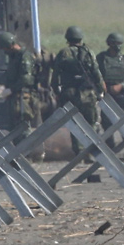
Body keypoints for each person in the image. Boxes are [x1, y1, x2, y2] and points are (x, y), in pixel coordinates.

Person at [52, 26, 105, 155]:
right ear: (80, 38)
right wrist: (100, 89)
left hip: (69, 93)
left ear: (67, 38)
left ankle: (79, 150)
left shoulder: (63, 53)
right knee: (91, 121)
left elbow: (55, 75)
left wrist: (57, 92)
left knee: (74, 122)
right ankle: (91, 149)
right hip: (87, 93)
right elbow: (96, 73)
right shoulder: (88, 52)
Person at [0, 32, 41, 145]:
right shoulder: (14, 58)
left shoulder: (24, 57)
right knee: (15, 127)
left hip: (23, 96)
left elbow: (26, 79)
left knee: (23, 126)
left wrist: (11, 89)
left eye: (5, 48)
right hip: (15, 96)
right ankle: (18, 153)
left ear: (10, 46)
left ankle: (25, 153)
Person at [96, 32, 124, 108]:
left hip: (122, 93)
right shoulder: (101, 58)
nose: (118, 46)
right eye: (116, 43)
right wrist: (101, 84)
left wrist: (121, 86)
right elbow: (95, 73)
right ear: (110, 43)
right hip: (107, 93)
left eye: (120, 43)